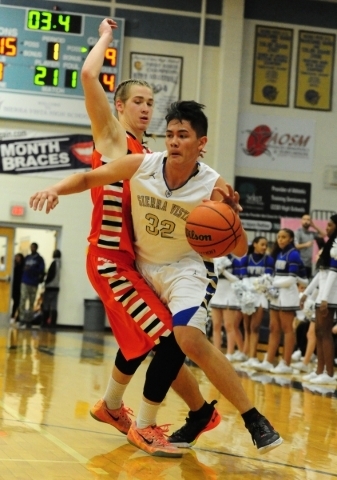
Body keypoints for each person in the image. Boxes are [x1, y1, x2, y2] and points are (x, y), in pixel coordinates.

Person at [30, 99, 283, 456]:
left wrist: (233, 218)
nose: (175, 141)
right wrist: (54, 189)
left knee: (187, 340)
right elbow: (89, 177)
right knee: (155, 341)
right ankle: (183, 415)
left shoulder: (213, 185)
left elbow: (239, 249)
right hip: (143, 270)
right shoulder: (142, 165)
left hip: (187, 271)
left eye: (184, 135)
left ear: (201, 143)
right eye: (170, 135)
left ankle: (252, 419)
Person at [40, 18, 219, 458]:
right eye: (137, 100)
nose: (145, 108)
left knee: (141, 338)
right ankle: (147, 424)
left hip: (132, 262)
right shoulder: (115, 139)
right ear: (117, 107)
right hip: (106, 258)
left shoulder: (152, 158)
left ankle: (112, 407)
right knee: (167, 338)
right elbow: (86, 76)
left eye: (150, 102)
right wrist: (105, 36)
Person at [255, 229, 305, 374]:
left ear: (290, 239)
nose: (280, 240)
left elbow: (292, 279)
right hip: (277, 295)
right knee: (273, 327)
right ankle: (269, 361)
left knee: (287, 328)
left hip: (288, 296)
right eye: (278, 237)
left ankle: (286, 363)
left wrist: (270, 283)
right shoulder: (279, 254)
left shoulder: (293, 254)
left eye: (284, 237)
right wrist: (270, 284)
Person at [300, 214, 337, 385]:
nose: (327, 227)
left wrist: (324, 298)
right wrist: (307, 293)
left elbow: (333, 273)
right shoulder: (329, 244)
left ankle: (329, 374)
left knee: (325, 333)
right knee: (319, 332)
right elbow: (320, 274)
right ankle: (319, 370)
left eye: (330, 225)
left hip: (330, 296)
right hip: (322, 294)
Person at [239, 236, 274, 368]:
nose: (264, 247)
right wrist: (247, 292)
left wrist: (256, 289)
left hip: (260, 296)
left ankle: (253, 357)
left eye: (266, 245)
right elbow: (243, 278)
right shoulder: (246, 259)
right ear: (255, 244)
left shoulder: (269, 260)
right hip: (247, 295)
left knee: (255, 327)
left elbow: (267, 279)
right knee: (247, 327)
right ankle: (248, 355)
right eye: (262, 244)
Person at [209, 255, 246, 361]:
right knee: (216, 325)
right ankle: (216, 352)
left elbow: (237, 280)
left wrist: (223, 271)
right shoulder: (214, 258)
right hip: (217, 293)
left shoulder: (235, 260)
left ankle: (230, 353)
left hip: (229, 294)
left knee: (229, 325)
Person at [18, 243, 45, 329]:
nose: (32, 248)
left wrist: (31, 269)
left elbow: (41, 270)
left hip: (33, 283)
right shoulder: (27, 257)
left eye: (34, 247)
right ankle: (21, 319)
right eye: (31, 247)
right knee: (22, 299)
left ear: (36, 248)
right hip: (25, 281)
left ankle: (29, 320)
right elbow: (21, 267)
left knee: (31, 302)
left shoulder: (39, 259)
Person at [294, 214, 325, 278]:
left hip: (308, 264)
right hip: (299, 263)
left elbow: (324, 235)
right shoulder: (298, 232)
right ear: (301, 221)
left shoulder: (311, 234)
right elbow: (295, 246)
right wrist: (306, 244)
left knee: (306, 282)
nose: (306, 221)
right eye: (304, 219)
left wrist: (314, 226)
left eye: (308, 220)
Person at [41, 249, 61, 329]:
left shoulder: (54, 263)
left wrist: (45, 282)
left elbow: (51, 274)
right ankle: (53, 324)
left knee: (46, 305)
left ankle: (44, 323)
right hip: (56, 287)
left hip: (50, 286)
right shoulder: (60, 263)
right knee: (54, 306)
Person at [10, 253, 25, 324]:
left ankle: (17, 316)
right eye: (16, 257)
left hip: (21, 285)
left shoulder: (22, 266)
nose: (17, 258)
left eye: (18, 257)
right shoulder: (14, 266)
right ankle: (13, 316)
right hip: (14, 285)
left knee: (19, 302)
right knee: (16, 301)